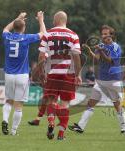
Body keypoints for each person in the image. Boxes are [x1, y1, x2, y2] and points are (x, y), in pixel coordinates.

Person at [68, 25, 125, 134]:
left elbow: (110, 60)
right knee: (90, 103)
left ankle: (124, 128)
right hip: (101, 81)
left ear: (111, 35)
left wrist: (101, 50)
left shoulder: (115, 47)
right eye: (103, 34)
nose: (103, 36)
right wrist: (89, 51)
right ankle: (80, 126)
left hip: (113, 81)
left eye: (106, 34)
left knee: (117, 104)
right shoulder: (101, 45)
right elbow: (97, 59)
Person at [38, 11, 82, 140]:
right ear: (65, 21)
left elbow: (41, 56)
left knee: (51, 100)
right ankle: (61, 134)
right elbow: (76, 57)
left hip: (52, 73)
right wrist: (78, 74)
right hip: (68, 74)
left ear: (55, 20)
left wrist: (41, 72)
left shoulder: (47, 34)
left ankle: (51, 120)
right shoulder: (73, 35)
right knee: (65, 104)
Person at [1, 11, 46, 135]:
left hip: (9, 75)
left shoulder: (7, 36)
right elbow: (43, 34)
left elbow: (6, 28)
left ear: (14, 27)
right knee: (19, 105)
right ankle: (14, 131)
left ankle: (5, 120)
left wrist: (18, 18)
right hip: (22, 75)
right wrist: (41, 19)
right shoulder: (26, 38)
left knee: (8, 101)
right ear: (24, 28)